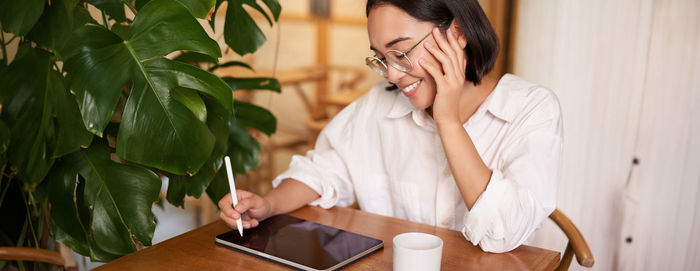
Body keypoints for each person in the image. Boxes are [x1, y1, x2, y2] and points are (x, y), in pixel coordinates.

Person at [219, 0, 562, 253]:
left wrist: (448, 121)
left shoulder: (531, 110)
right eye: (382, 58)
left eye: (401, 53)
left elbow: (502, 233)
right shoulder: (378, 106)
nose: (393, 75)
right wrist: (268, 205)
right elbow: (323, 170)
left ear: (457, 33)